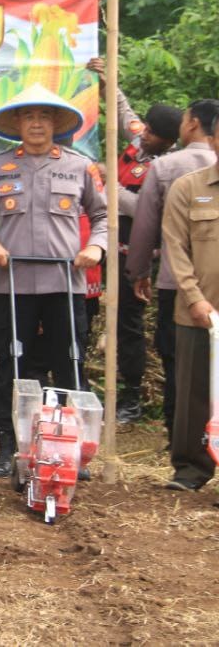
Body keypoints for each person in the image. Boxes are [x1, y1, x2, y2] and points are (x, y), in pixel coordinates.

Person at [0, 84, 107, 478]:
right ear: (17, 123)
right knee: (11, 365)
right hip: (13, 284)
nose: (36, 123)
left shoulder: (80, 167)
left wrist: (96, 249)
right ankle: (7, 446)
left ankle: (71, 447)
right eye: (28, 116)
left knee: (71, 364)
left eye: (44, 116)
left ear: (55, 124)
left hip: (66, 283)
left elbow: (102, 218)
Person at [89, 56, 182, 423]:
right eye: (144, 129)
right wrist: (105, 79)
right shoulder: (141, 138)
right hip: (101, 242)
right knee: (87, 310)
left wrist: (106, 182)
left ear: (170, 140)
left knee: (128, 321)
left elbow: (144, 206)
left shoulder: (169, 166)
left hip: (133, 250)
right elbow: (121, 108)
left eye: (151, 133)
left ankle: (130, 397)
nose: (143, 134)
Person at [126, 99, 219, 445]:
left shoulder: (165, 166)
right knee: (189, 366)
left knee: (178, 368)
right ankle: (194, 449)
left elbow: (146, 228)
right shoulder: (190, 175)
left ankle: (178, 436)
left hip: (173, 287)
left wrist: (137, 271)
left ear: (192, 123)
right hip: (188, 293)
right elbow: (170, 240)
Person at [159, 125, 219, 491]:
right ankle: (191, 469)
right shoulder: (189, 188)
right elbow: (175, 248)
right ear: (212, 139)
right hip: (197, 312)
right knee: (193, 392)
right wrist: (194, 298)